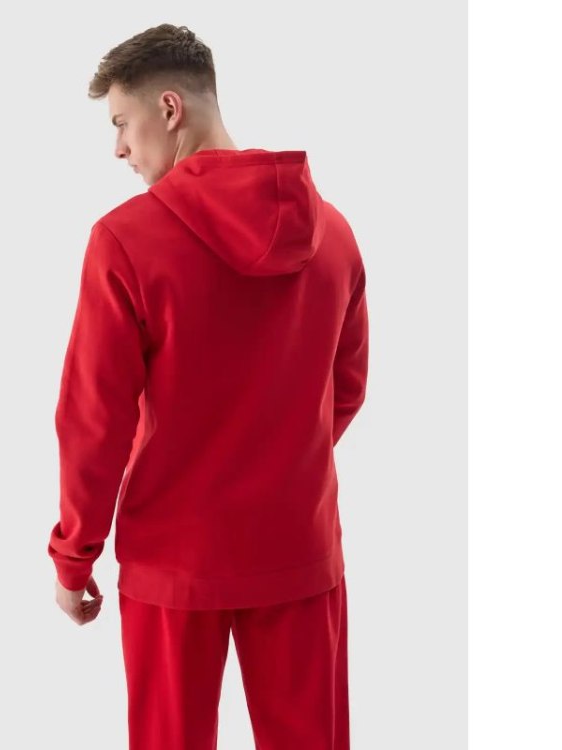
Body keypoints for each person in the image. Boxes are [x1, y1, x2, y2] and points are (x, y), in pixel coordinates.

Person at [48, 23, 368, 750]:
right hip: (298, 545)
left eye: (121, 122)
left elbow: (94, 420)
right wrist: (276, 460)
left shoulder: (124, 242)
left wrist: (74, 555)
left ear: (169, 108)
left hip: (174, 559)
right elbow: (345, 387)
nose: (119, 148)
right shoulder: (335, 234)